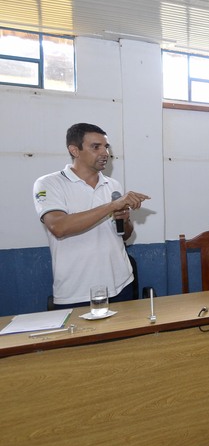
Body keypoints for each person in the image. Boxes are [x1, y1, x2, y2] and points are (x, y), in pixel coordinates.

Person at [33, 123, 150, 308]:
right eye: (96, 147)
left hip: (121, 285)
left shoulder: (113, 185)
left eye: (106, 147)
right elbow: (58, 227)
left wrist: (124, 220)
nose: (105, 153)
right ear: (74, 150)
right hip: (77, 292)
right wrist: (112, 205)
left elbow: (124, 235)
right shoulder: (49, 184)